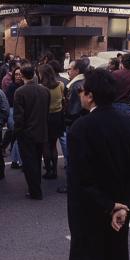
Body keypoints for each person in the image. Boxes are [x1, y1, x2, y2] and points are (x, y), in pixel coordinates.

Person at [54, 69, 130, 260]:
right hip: (121, 206)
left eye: (83, 91)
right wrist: (124, 205)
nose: (81, 95)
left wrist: (108, 205)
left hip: (89, 208)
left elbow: (81, 179)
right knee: (117, 251)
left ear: (90, 96)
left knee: (86, 257)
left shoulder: (81, 129)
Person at [13, 65, 50, 199]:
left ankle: (35, 191)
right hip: (41, 131)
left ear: (22, 75)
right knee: (37, 162)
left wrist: (17, 132)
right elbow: (46, 112)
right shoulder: (45, 90)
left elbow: (19, 117)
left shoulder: (20, 92)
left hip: (27, 133)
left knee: (29, 164)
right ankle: (36, 187)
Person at [57, 58, 90, 194]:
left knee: (73, 157)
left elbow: (73, 110)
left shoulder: (76, 85)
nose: (68, 71)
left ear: (77, 70)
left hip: (76, 125)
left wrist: (66, 119)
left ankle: (72, 185)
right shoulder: (83, 82)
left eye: (70, 69)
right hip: (83, 124)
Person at [38, 63, 65, 179]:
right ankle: (54, 170)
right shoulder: (60, 85)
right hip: (57, 116)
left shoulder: (41, 88)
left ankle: (48, 170)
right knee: (53, 144)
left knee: (45, 145)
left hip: (45, 117)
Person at [6, 66, 24, 169]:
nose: (18, 76)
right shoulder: (12, 87)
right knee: (17, 137)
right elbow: (9, 104)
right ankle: (17, 161)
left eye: (20, 74)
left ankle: (15, 160)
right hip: (14, 114)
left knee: (17, 138)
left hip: (20, 114)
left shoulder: (24, 85)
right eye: (16, 74)